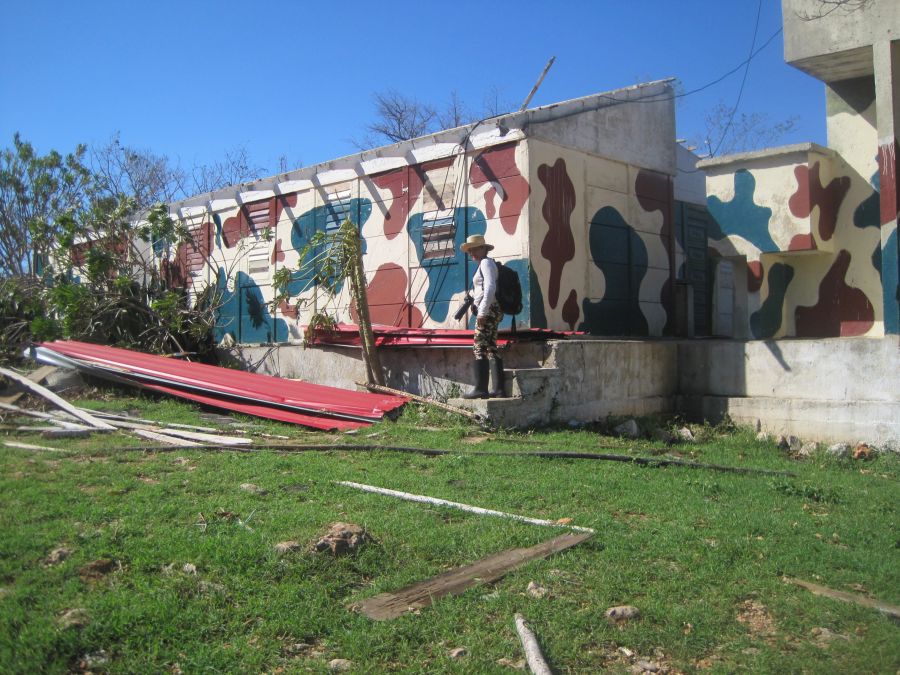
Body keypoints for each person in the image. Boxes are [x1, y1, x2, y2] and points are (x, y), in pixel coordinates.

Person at [459, 234, 505, 398]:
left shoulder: (486, 262)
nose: (472, 253)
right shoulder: (485, 264)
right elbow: (484, 288)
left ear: (484, 248)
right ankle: (499, 389)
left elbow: (490, 287)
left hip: (489, 309)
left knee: (479, 346)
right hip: (493, 308)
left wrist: (483, 311)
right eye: (470, 250)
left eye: (476, 249)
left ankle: (480, 389)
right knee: (492, 347)